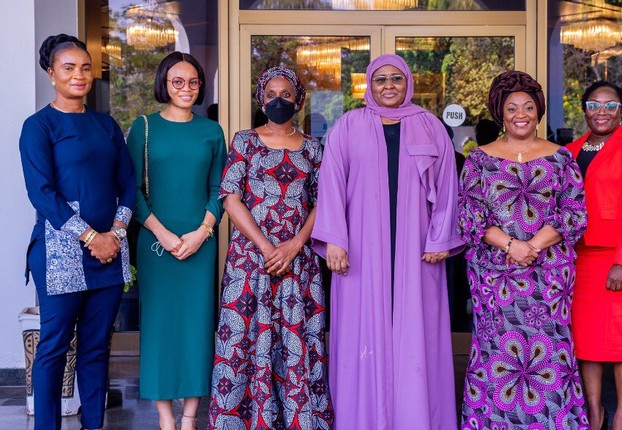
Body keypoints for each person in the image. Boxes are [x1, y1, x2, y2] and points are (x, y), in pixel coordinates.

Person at [312, 54, 463, 429]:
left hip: (419, 250)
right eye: (380, 79)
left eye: (396, 78)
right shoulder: (348, 126)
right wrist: (334, 241)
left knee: (419, 334)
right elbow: (330, 185)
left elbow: (448, 188)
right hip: (360, 249)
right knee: (362, 332)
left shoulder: (430, 126)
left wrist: (440, 237)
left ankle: (416, 418)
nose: (389, 86)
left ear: (409, 82)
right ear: (369, 85)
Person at [457, 71, 589, 428]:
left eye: (528, 107)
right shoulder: (479, 160)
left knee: (551, 348)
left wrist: (532, 245)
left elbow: (574, 213)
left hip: (549, 275)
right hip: (494, 276)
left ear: (539, 111)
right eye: (512, 107)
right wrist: (512, 246)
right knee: (497, 349)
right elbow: (470, 217)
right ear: (500, 112)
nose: (521, 114)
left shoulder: (562, 158)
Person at [19, 34, 136, 430]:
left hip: (110, 251)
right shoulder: (39, 126)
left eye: (85, 67)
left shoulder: (106, 124)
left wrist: (116, 234)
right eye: (69, 68)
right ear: (52, 74)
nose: (79, 75)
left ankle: (93, 425)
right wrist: (92, 237)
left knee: (95, 347)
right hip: (60, 252)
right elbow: (42, 193)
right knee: (53, 348)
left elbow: (128, 184)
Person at [209, 66, 333, 430]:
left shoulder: (313, 147)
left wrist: (295, 245)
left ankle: (299, 419)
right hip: (251, 260)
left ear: (298, 99)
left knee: (298, 341)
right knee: (246, 339)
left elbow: (322, 202)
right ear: (261, 99)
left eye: (286, 94)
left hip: (299, 261)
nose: (277, 101)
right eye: (270, 94)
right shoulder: (244, 141)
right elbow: (230, 197)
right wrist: (266, 247)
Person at [127, 51, 226, 430]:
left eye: (193, 82)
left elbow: (221, 188)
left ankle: (189, 419)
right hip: (157, 245)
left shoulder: (211, 131)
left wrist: (203, 232)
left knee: (197, 326)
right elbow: (132, 190)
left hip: (200, 244)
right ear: (164, 85)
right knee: (159, 329)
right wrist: (163, 233)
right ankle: (166, 419)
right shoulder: (144, 127)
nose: (186, 88)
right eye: (178, 82)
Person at [566, 81, 622, 430]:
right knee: (586, 340)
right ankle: (594, 411)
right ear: (584, 109)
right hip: (580, 258)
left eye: (610, 105)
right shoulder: (569, 151)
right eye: (593, 104)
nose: (601, 111)